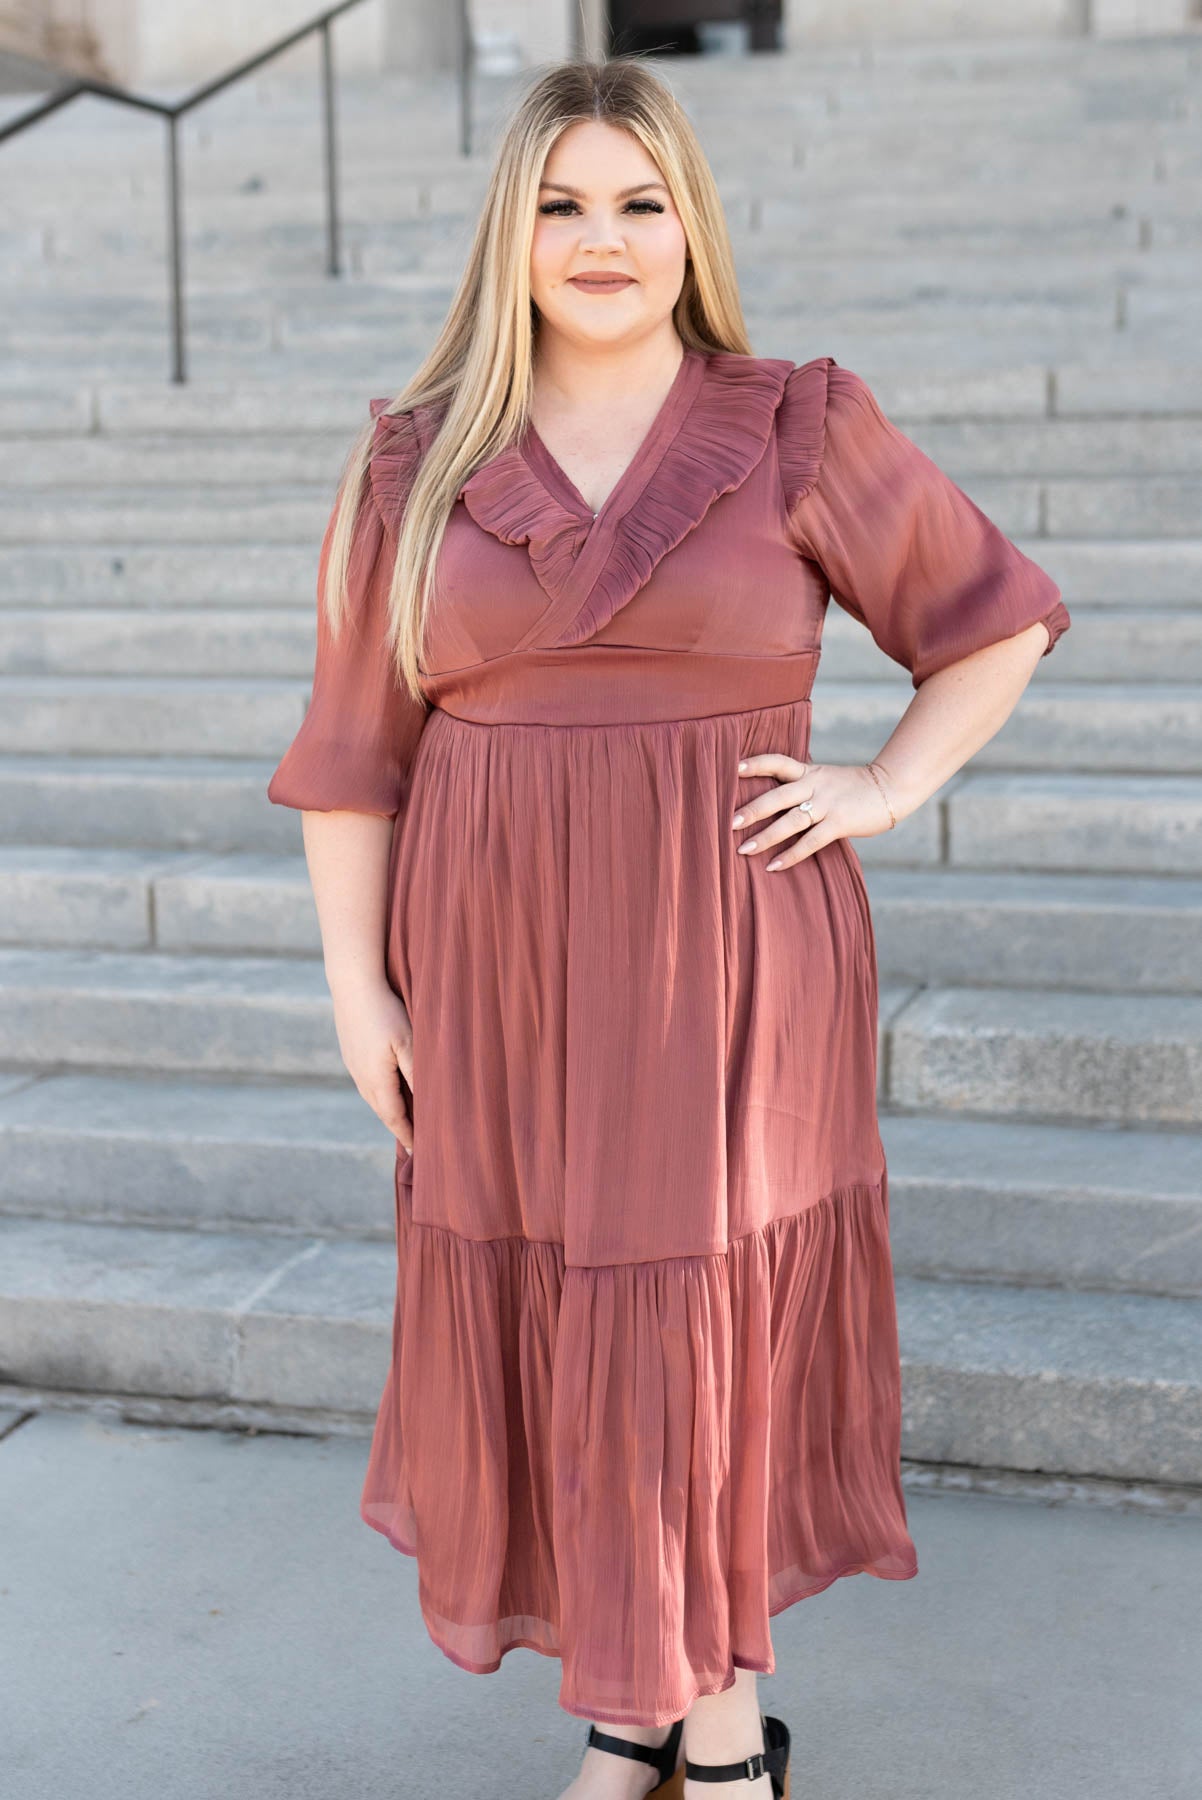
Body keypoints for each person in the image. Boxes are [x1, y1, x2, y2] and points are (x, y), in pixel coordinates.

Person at [266, 55, 1071, 1800]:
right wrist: (353, 985)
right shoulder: (413, 459)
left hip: (731, 964)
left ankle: (709, 1745)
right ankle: (656, 1717)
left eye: (638, 199)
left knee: (689, 1318)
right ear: (511, 228)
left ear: (687, 220)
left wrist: (880, 785)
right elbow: (352, 757)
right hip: (498, 972)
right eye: (560, 201)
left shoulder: (797, 419)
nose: (600, 236)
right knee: (568, 1317)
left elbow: (990, 619)